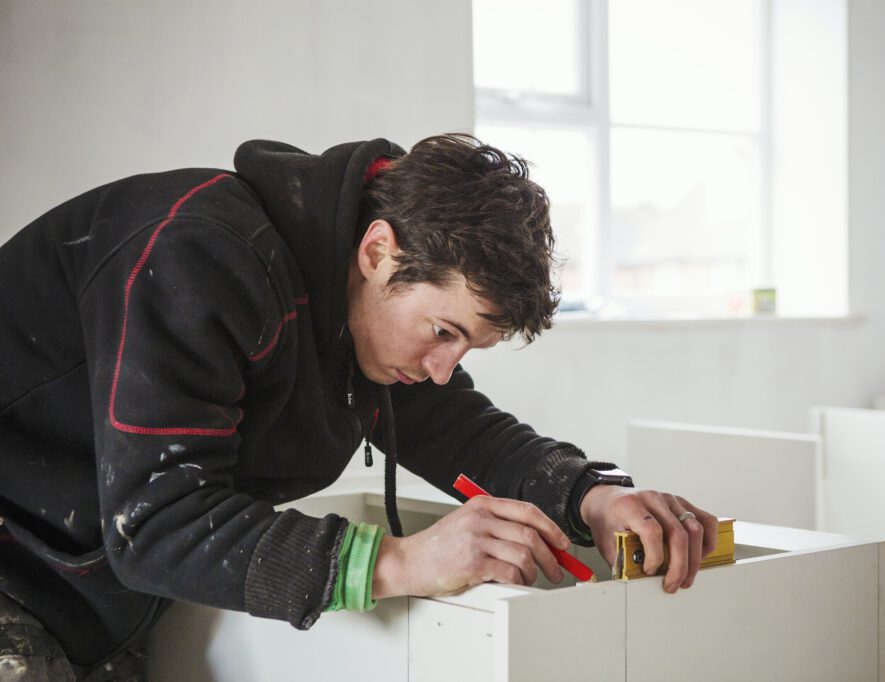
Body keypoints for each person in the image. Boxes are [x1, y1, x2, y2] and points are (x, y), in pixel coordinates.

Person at [0, 134, 717, 679]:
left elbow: (455, 426)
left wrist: (590, 495)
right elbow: (156, 525)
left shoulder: (354, 310)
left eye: (464, 349)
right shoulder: (197, 256)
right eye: (443, 333)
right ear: (379, 251)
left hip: (90, 595)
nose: (443, 371)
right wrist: (398, 561)